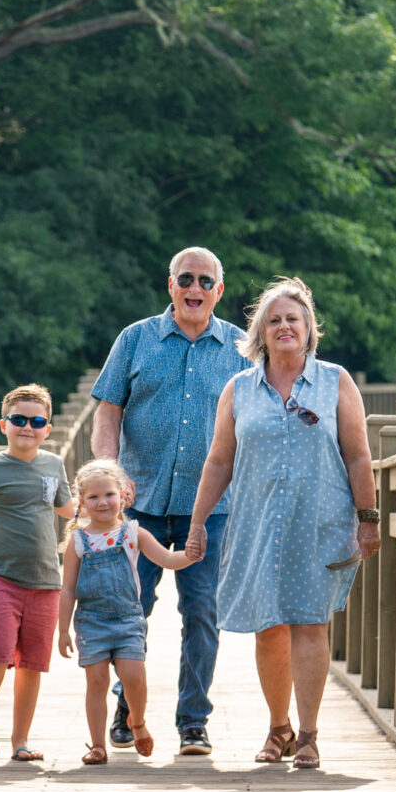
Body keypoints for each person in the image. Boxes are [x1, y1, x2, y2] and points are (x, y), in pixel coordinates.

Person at [185, 278, 380, 769]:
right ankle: (279, 730)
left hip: (319, 522)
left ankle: (310, 735)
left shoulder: (336, 381)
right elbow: (218, 462)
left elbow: (358, 456)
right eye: (274, 320)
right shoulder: (239, 389)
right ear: (261, 333)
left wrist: (368, 518)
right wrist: (198, 522)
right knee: (269, 628)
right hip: (257, 524)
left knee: (310, 624)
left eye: (293, 318)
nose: (284, 326)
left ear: (309, 328)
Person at [90, 246, 250, 756]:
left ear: (219, 291)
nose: (195, 289)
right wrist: (109, 473)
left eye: (206, 281)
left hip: (212, 507)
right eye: (187, 279)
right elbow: (107, 412)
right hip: (139, 502)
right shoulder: (135, 339)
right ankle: (127, 708)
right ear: (171, 284)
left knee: (202, 612)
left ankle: (193, 722)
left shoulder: (243, 349)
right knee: (129, 608)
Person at [0, 383, 77, 762]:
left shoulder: (54, 464)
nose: (27, 427)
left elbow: (67, 510)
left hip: (45, 579)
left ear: (47, 429)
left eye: (36, 421)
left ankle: (20, 740)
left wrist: (105, 500)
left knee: (33, 663)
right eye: (18, 419)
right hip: (0, 576)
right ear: (3, 424)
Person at [56, 459, 199, 765]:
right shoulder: (78, 542)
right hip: (91, 621)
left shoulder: (134, 533)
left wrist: (191, 555)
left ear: (122, 496)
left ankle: (137, 721)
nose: (102, 502)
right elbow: (67, 589)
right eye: (93, 497)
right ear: (81, 503)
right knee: (96, 681)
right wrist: (63, 630)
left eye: (108, 494)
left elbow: (168, 560)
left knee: (133, 675)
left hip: (127, 620)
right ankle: (97, 744)